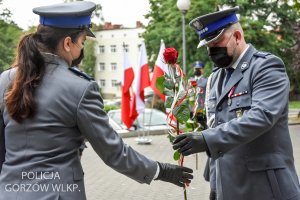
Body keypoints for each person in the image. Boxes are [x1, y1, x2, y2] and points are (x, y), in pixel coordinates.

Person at [0, 2, 193, 200]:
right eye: (82, 43)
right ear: (67, 43)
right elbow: (114, 152)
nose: (81, 51)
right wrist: (160, 170)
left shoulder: (5, 79)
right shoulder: (80, 87)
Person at [173, 6, 300, 200]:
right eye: (208, 46)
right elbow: (216, 126)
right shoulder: (215, 78)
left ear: (238, 36)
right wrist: (215, 186)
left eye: (216, 43)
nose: (212, 50)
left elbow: (262, 117)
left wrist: (206, 139)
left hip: (266, 188)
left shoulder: (266, 67)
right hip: (229, 188)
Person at [190, 61, 208, 129]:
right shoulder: (190, 81)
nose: (197, 70)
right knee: (192, 129)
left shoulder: (206, 81)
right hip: (191, 110)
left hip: (202, 109)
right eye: (195, 68)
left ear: (202, 70)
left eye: (199, 69)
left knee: (203, 129)